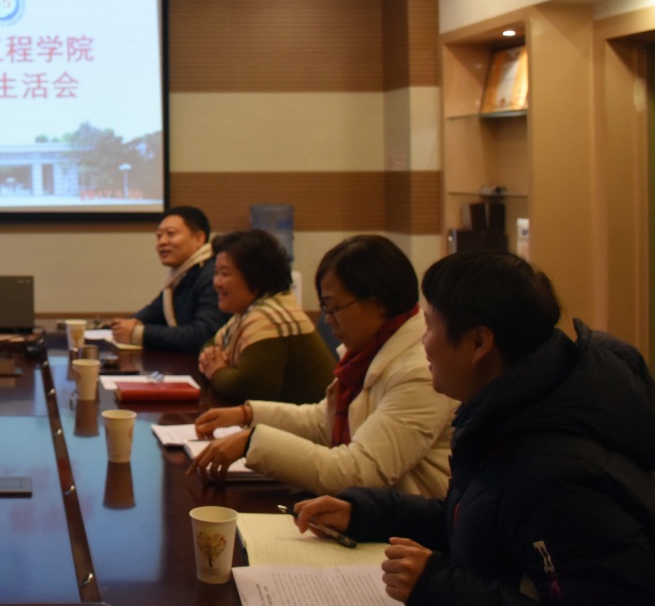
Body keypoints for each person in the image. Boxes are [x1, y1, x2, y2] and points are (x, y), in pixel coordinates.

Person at [291, 251, 655, 605]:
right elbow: (475, 523)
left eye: (430, 326)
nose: (422, 342)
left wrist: (439, 586)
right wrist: (365, 513)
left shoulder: (557, 472)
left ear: (479, 343)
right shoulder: (510, 417)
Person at [188, 235, 454, 498]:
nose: (327, 320)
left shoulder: (420, 372)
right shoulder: (368, 351)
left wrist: (251, 442)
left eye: (334, 308)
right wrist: (247, 414)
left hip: (405, 520)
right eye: (325, 308)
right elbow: (323, 420)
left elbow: (359, 472)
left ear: (377, 303)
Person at [197, 229, 334, 403]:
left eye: (224, 273)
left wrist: (217, 370)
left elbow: (246, 390)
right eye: (216, 273)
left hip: (315, 420)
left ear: (255, 277)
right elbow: (209, 347)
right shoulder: (250, 311)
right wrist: (216, 363)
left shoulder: (270, 317)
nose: (216, 283)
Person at [109, 205, 229, 353]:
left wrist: (138, 334)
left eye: (170, 234)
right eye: (159, 236)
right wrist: (122, 326)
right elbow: (153, 313)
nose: (162, 242)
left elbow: (203, 334)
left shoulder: (212, 275)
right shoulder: (181, 275)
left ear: (199, 238)